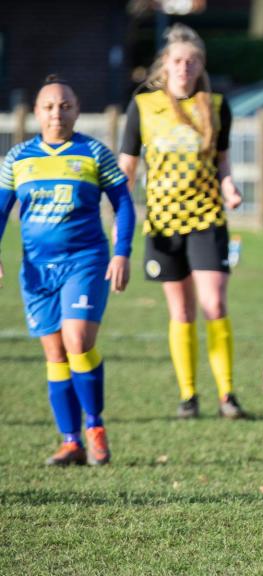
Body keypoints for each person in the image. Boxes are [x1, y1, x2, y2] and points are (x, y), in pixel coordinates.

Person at [0, 76, 134, 466]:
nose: (57, 112)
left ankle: (94, 426)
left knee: (77, 340)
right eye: (49, 106)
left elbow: (123, 203)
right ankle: (70, 441)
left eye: (65, 105)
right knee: (56, 353)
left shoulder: (94, 153)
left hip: (86, 261)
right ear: (36, 112)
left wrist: (121, 252)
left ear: (76, 109)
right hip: (37, 271)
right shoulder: (18, 158)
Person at [118, 24, 245, 419]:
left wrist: (230, 190)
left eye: (192, 61)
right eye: (177, 61)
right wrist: (116, 209)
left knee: (214, 304)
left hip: (207, 219)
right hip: (162, 223)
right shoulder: (143, 106)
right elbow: (127, 167)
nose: (184, 68)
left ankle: (227, 395)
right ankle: (188, 396)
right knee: (181, 312)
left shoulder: (216, 105)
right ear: (165, 64)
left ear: (200, 66)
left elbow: (222, 163)